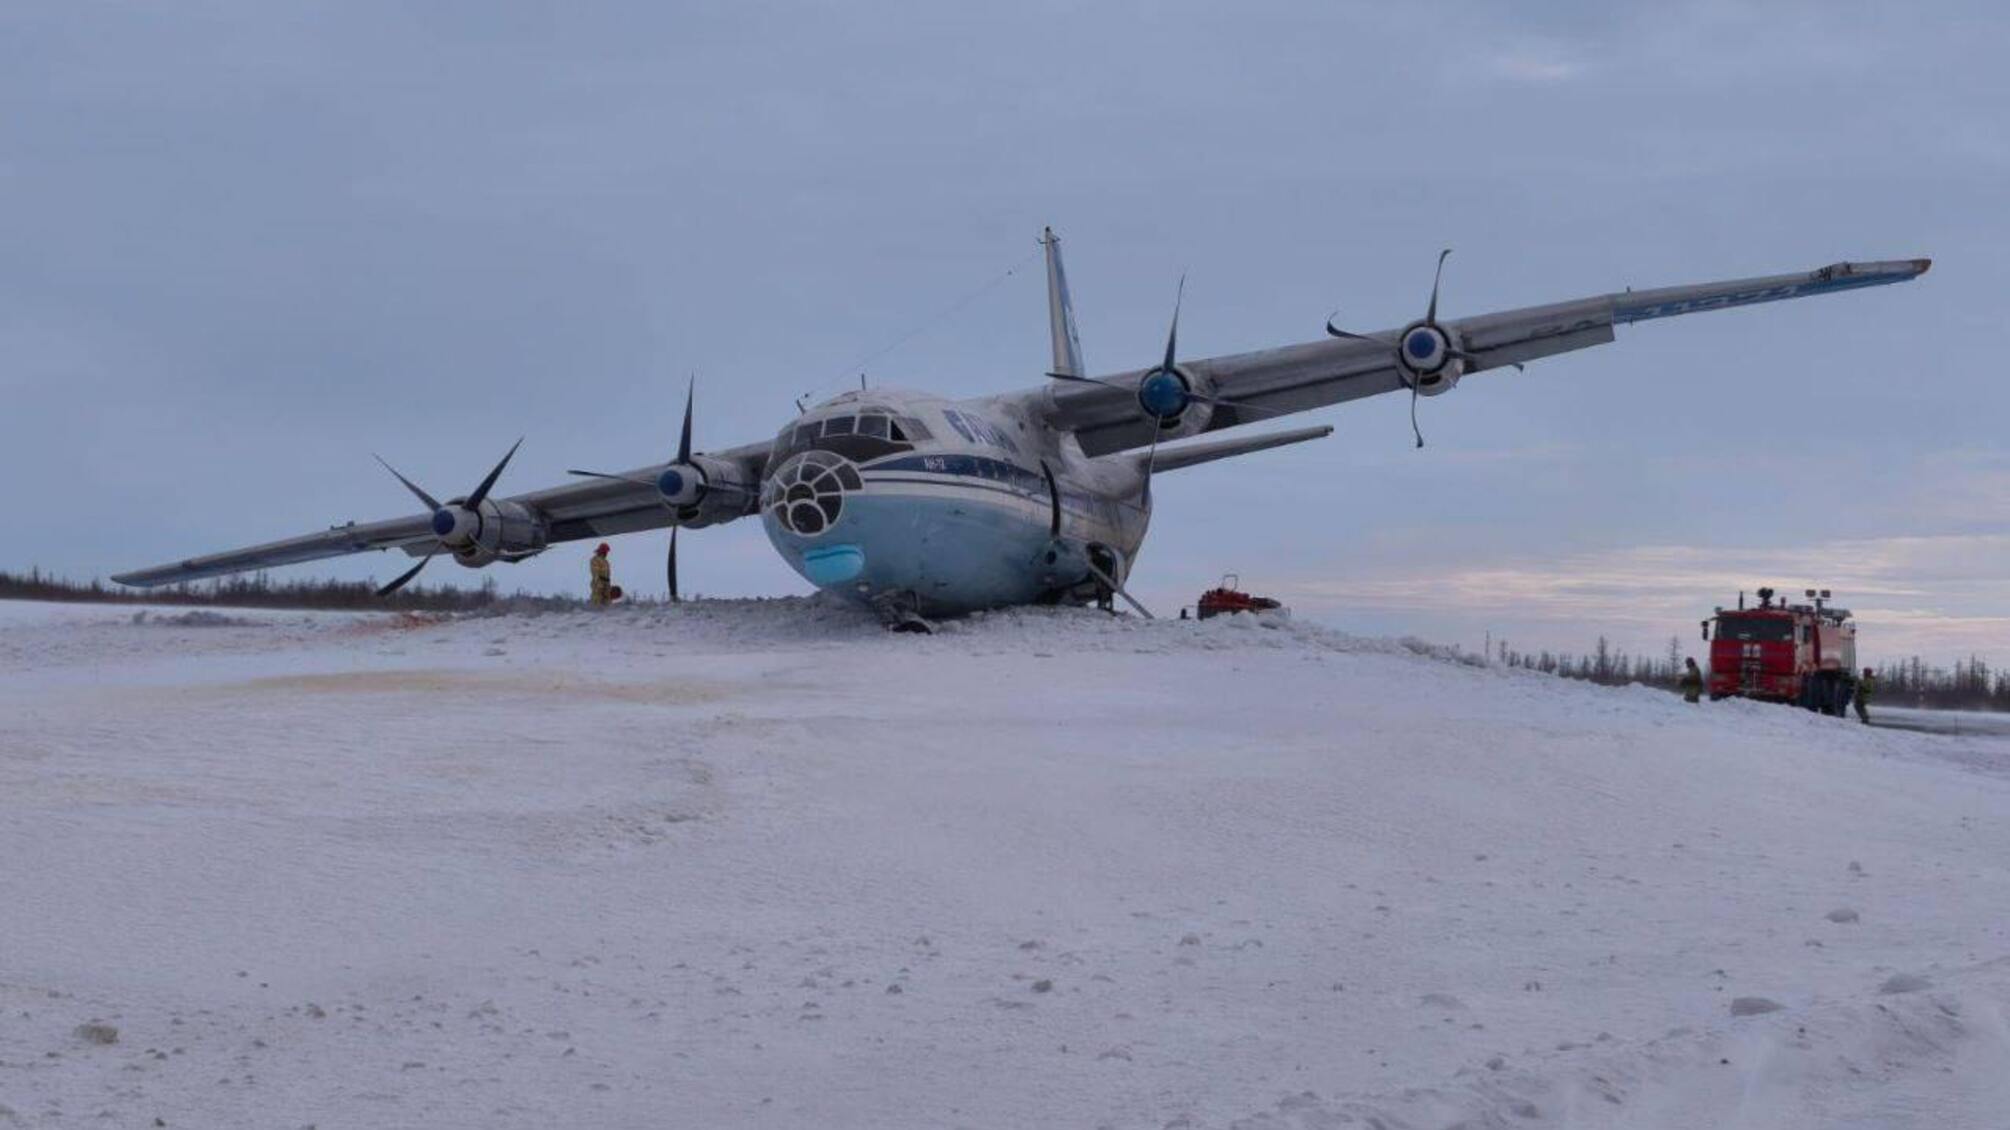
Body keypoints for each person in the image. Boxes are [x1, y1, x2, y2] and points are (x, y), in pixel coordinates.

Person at [589, 543, 613, 607]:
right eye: (605, 551)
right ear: (602, 551)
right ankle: (596, 613)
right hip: (598, 582)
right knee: (597, 600)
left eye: (607, 552)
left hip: (606, 582)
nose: (607, 553)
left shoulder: (605, 561)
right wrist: (598, 582)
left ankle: (607, 614)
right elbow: (595, 572)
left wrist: (608, 583)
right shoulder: (595, 559)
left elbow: (607, 573)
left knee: (607, 600)